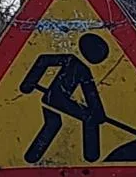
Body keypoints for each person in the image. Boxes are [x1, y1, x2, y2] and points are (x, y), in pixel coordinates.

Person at [19, 33, 110, 164]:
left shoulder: (83, 69)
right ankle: (91, 156)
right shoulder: (72, 61)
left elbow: (91, 94)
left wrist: (99, 113)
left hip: (53, 99)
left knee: (54, 123)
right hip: (57, 99)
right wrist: (28, 84)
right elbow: (43, 60)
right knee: (88, 119)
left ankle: (31, 158)